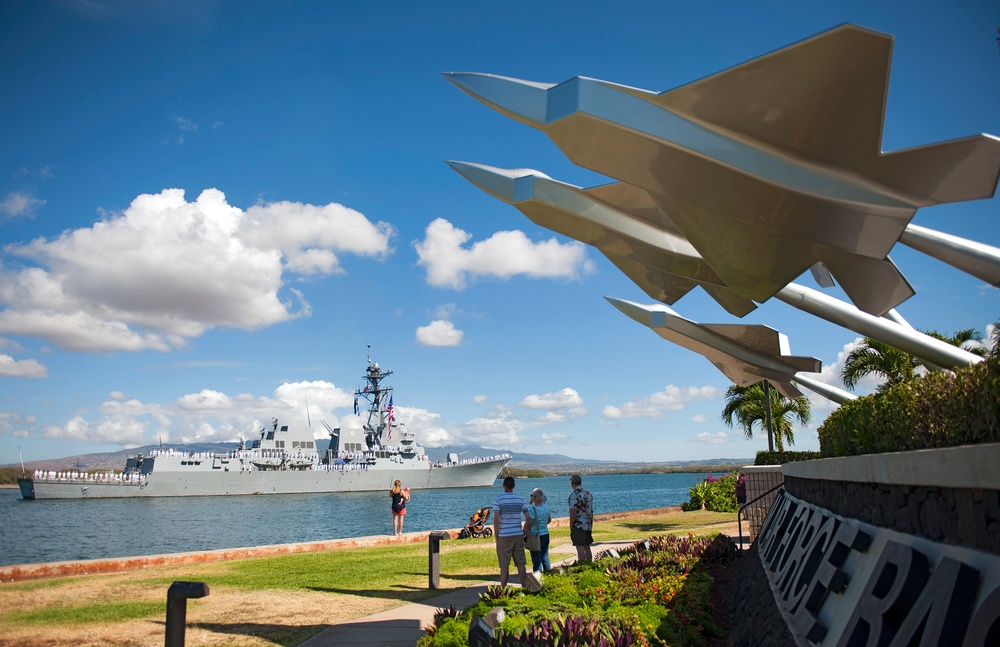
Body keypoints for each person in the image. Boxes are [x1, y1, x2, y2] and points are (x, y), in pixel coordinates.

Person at [493, 475, 531, 588]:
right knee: (520, 563)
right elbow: (528, 517)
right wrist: (525, 530)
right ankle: (524, 586)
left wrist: (496, 535)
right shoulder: (520, 499)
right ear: (514, 486)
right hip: (517, 534)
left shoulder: (498, 499)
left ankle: (503, 589)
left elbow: (496, 519)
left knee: (504, 564)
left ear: (503, 485)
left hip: (504, 535)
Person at [568, 474, 594, 563]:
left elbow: (573, 511)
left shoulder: (574, 494)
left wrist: (571, 524)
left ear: (572, 484)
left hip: (578, 524)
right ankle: (590, 564)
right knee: (587, 547)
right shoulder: (588, 493)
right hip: (588, 523)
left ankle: (582, 566)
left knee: (579, 547)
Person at [528, 487, 552, 572]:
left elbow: (529, 522)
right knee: (545, 556)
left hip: (536, 536)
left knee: (536, 559)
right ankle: (548, 574)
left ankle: (538, 578)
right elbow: (549, 520)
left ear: (535, 497)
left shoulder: (531, 509)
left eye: (532, 496)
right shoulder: (546, 507)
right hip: (545, 534)